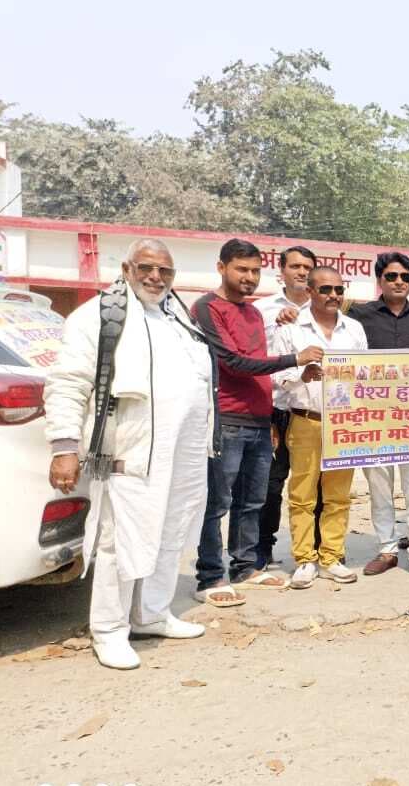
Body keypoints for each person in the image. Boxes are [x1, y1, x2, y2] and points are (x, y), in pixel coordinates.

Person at [44, 239, 213, 669]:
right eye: (147, 267)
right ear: (125, 268)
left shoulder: (176, 316)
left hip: (181, 454)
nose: (156, 277)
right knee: (119, 540)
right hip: (131, 452)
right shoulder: (99, 316)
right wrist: (64, 448)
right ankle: (109, 630)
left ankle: (151, 614)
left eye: (166, 271)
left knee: (170, 532)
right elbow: (68, 382)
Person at [192, 239, 325, 605]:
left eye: (254, 271)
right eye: (241, 270)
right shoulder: (207, 308)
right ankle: (210, 575)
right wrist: (293, 359)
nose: (249, 278)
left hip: (258, 418)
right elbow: (233, 363)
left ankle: (245, 566)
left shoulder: (252, 313)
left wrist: (267, 416)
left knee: (252, 499)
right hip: (225, 417)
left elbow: (258, 366)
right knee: (217, 500)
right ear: (222, 268)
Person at [271, 267, 367, 588]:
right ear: (310, 291)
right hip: (306, 420)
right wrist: (302, 372)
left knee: (339, 495)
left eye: (339, 290)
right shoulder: (291, 327)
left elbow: (367, 375)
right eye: (325, 289)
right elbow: (276, 377)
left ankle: (331, 557)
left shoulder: (354, 330)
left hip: (345, 424)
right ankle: (304, 559)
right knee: (302, 494)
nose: (333, 296)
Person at [349, 252, 409, 580]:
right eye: (391, 276)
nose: (398, 282)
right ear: (379, 280)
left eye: (404, 277)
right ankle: (386, 550)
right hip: (373, 419)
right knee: (380, 485)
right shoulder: (359, 315)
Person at [254, 246, 319, 570]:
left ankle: (318, 549)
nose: (301, 272)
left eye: (308, 266)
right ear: (281, 270)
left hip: (311, 409)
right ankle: (263, 549)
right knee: (271, 483)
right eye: (295, 265)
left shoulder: (322, 309)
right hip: (275, 408)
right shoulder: (262, 310)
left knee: (313, 483)